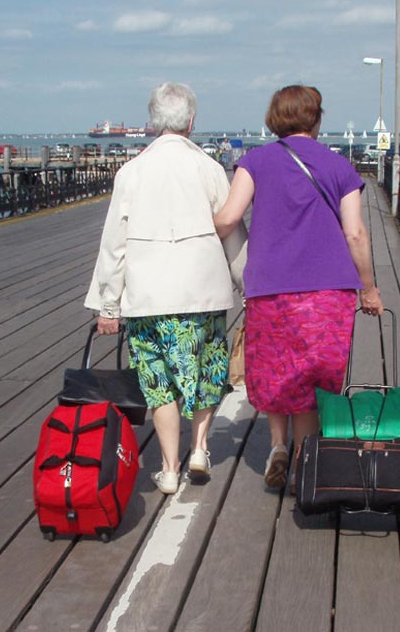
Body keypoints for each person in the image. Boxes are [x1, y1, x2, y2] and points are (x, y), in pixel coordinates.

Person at [213, 84, 383, 490]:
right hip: (328, 291)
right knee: (313, 375)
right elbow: (355, 234)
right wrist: (369, 288)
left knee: (276, 369)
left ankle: (278, 446)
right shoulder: (339, 166)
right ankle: (305, 457)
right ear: (316, 119)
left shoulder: (255, 161)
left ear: (275, 118)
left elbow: (229, 218)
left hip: (269, 287)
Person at [84, 82, 245, 496]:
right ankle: (200, 449)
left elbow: (114, 245)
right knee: (207, 371)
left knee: (159, 384)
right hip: (203, 293)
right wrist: (248, 286)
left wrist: (108, 306)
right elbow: (231, 230)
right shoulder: (209, 168)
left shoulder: (132, 172)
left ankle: (170, 469)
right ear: (191, 121)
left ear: (153, 122)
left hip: (148, 297)